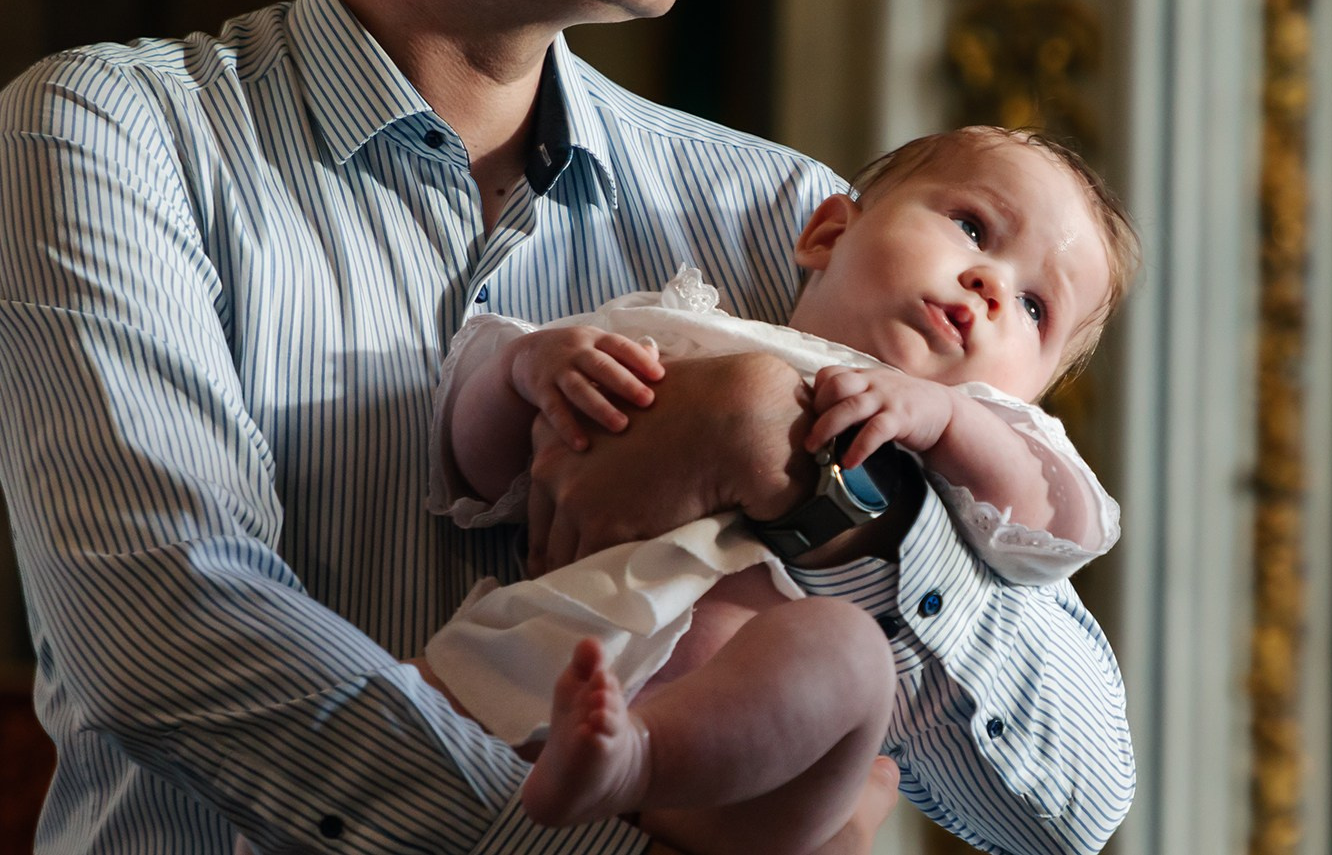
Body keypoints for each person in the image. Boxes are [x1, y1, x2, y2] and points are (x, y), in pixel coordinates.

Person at [0, 0, 1135, 852]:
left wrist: (801, 472)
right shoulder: (112, 135)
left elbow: (1068, 802)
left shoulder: (781, 213)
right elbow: (173, 632)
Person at [419, 126, 1136, 852]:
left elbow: (1061, 521)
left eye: (1035, 308)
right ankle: (630, 763)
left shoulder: (973, 446)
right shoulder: (685, 331)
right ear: (828, 235)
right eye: (972, 227)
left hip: (743, 776)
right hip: (551, 672)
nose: (992, 287)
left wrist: (950, 420)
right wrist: (526, 370)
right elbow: (477, 474)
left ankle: (642, 760)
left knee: (851, 656)